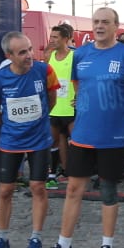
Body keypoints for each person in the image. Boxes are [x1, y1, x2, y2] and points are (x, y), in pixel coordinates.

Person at [47, 7, 124, 248]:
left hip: (112, 137)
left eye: (105, 22)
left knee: (108, 191)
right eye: (96, 22)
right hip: (82, 134)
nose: (99, 26)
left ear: (116, 26)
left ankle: (106, 246)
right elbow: (79, 86)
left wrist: (122, 117)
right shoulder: (81, 55)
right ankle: (63, 246)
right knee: (73, 189)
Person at [0, 32, 59, 248]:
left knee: (38, 187)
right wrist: (7, 125)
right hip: (11, 141)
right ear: (9, 55)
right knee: (5, 190)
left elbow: (52, 98)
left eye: (30, 49)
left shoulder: (44, 71)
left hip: (39, 139)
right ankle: (2, 240)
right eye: (22, 52)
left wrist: (40, 121)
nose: (29, 55)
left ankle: (35, 239)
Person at [46, 23, 77, 188]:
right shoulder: (50, 56)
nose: (52, 40)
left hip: (71, 107)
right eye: (51, 37)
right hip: (55, 107)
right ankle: (53, 175)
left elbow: (82, 79)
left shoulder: (74, 56)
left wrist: (80, 96)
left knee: (77, 141)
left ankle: (76, 173)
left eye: (55, 37)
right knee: (54, 141)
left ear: (66, 39)